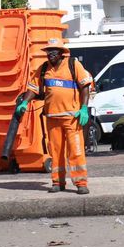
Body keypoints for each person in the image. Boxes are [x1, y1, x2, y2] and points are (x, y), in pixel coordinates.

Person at [16, 38, 95, 194]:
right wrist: (24, 103)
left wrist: (84, 108)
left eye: (53, 52)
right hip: (52, 118)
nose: (50, 54)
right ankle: (58, 182)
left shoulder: (73, 65)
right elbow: (33, 88)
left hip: (72, 118)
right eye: (48, 52)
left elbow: (85, 86)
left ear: (61, 53)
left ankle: (81, 182)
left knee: (76, 152)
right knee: (55, 152)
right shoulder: (44, 68)